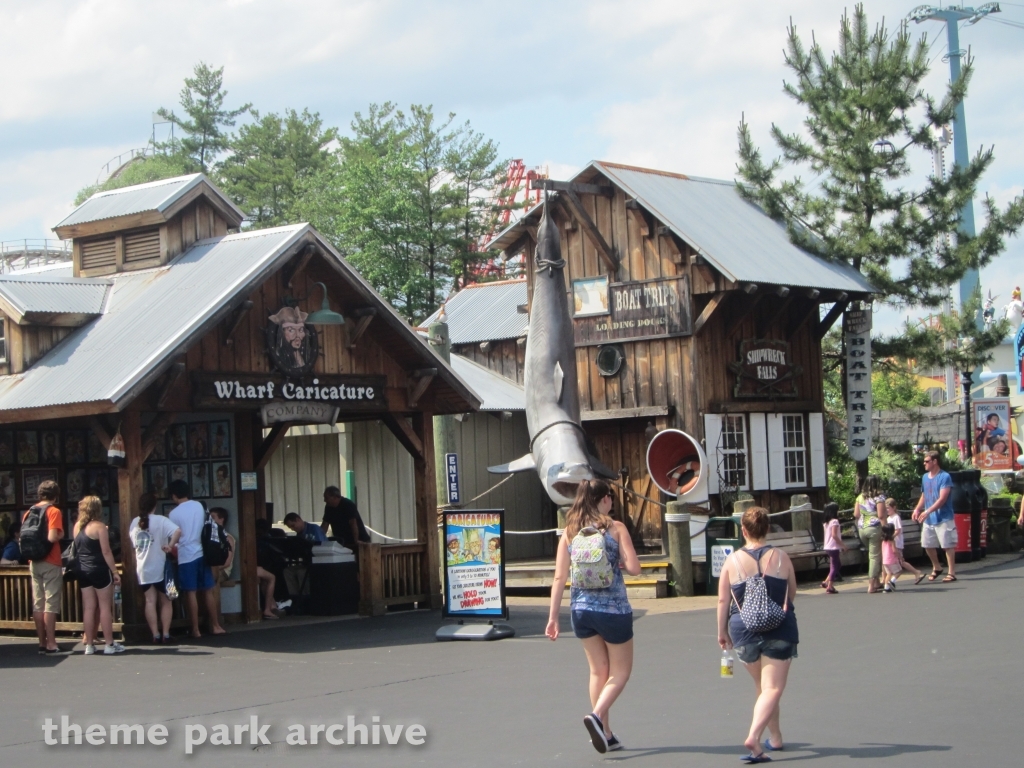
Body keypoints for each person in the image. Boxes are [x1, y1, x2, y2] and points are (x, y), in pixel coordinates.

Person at [545, 480, 641, 754]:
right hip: (613, 611)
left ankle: (606, 734)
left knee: (598, 671)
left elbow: (559, 576)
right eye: (610, 495)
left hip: (580, 610)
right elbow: (634, 568)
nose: (612, 500)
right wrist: (620, 560)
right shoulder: (616, 528)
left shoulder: (570, 532)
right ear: (604, 500)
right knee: (621, 672)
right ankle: (597, 716)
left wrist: (553, 617)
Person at [717, 506, 799, 763]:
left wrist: (721, 632)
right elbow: (792, 592)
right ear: (767, 529)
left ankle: (775, 737)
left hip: (744, 630)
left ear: (743, 530)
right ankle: (754, 736)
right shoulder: (781, 557)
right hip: (779, 629)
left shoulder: (732, 561)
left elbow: (722, 600)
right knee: (772, 687)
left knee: (764, 687)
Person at [168, 479, 225, 637]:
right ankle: (215, 625)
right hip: (202, 552)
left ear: (174, 495)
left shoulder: (173, 514)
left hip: (186, 555)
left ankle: (195, 629)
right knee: (208, 590)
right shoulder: (200, 506)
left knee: (190, 592)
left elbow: (175, 537)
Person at [73, 496, 125, 655]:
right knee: (104, 607)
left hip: (82, 569)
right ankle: (109, 644)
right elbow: (106, 551)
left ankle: (89, 644)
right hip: (99, 569)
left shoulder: (77, 527)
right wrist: (115, 572)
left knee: (88, 607)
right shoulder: (100, 527)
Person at [129, 492, 181, 644]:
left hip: (143, 568)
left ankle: (155, 634)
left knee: (149, 601)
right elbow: (177, 531)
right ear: (154, 505)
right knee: (166, 600)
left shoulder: (135, 523)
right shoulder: (160, 520)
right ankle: (166, 633)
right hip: (160, 566)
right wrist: (170, 546)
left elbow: (134, 544)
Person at [24, 480, 64, 654]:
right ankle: (52, 643)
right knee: (51, 603)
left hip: (33, 561)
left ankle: (41, 642)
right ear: (55, 496)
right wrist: (61, 533)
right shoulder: (53, 511)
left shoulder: (29, 512)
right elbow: (52, 537)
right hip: (51, 560)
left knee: (38, 603)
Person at [912, 450, 957, 582]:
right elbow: (925, 495)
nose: (924, 463)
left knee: (947, 545)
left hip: (944, 517)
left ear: (935, 461)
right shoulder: (925, 477)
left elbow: (942, 499)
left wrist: (927, 511)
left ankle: (951, 572)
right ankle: (936, 567)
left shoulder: (945, 477)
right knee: (927, 544)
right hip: (929, 519)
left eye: (926, 461)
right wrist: (918, 509)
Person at [853, 474, 885, 593]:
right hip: (874, 528)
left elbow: (856, 514)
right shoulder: (879, 497)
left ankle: (876, 582)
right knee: (875, 557)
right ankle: (871, 585)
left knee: (872, 555)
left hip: (862, 529)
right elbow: (881, 516)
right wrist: (886, 529)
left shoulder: (860, 497)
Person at [884, 498, 923, 585]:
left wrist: (890, 537)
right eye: (885, 508)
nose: (887, 510)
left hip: (897, 543)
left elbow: (898, 530)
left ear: (894, 508)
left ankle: (916, 572)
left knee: (901, 561)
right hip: (892, 543)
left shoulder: (896, 517)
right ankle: (915, 572)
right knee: (899, 562)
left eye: (888, 508)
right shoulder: (888, 518)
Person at [320, 486, 370, 551]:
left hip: (360, 541)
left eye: (326, 498)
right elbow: (324, 525)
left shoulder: (348, 504)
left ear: (335, 497)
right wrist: (318, 538)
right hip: (343, 543)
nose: (324, 500)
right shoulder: (328, 508)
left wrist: (356, 540)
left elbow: (353, 523)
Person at [255, 518, 287, 616]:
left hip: (260, 566)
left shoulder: (259, 540)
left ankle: (272, 605)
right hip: (258, 566)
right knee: (271, 578)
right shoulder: (267, 540)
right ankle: (268, 608)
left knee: (266, 580)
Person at [820, 502, 846, 594]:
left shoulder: (826, 523)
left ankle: (826, 581)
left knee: (837, 565)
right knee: (835, 566)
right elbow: (834, 535)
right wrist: (843, 545)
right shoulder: (834, 521)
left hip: (827, 546)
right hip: (833, 547)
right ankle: (830, 586)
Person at [208, 508, 236, 587]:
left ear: (221, 519)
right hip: (210, 569)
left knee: (211, 578)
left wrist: (211, 569)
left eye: (213, 517)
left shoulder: (228, 538)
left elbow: (227, 562)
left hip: (222, 571)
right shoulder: (208, 537)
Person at [880, 524, 902, 592]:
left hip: (885, 561)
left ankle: (886, 588)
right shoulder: (892, 541)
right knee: (899, 571)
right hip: (892, 560)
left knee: (889, 574)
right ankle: (892, 581)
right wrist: (900, 557)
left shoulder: (883, 541)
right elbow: (894, 551)